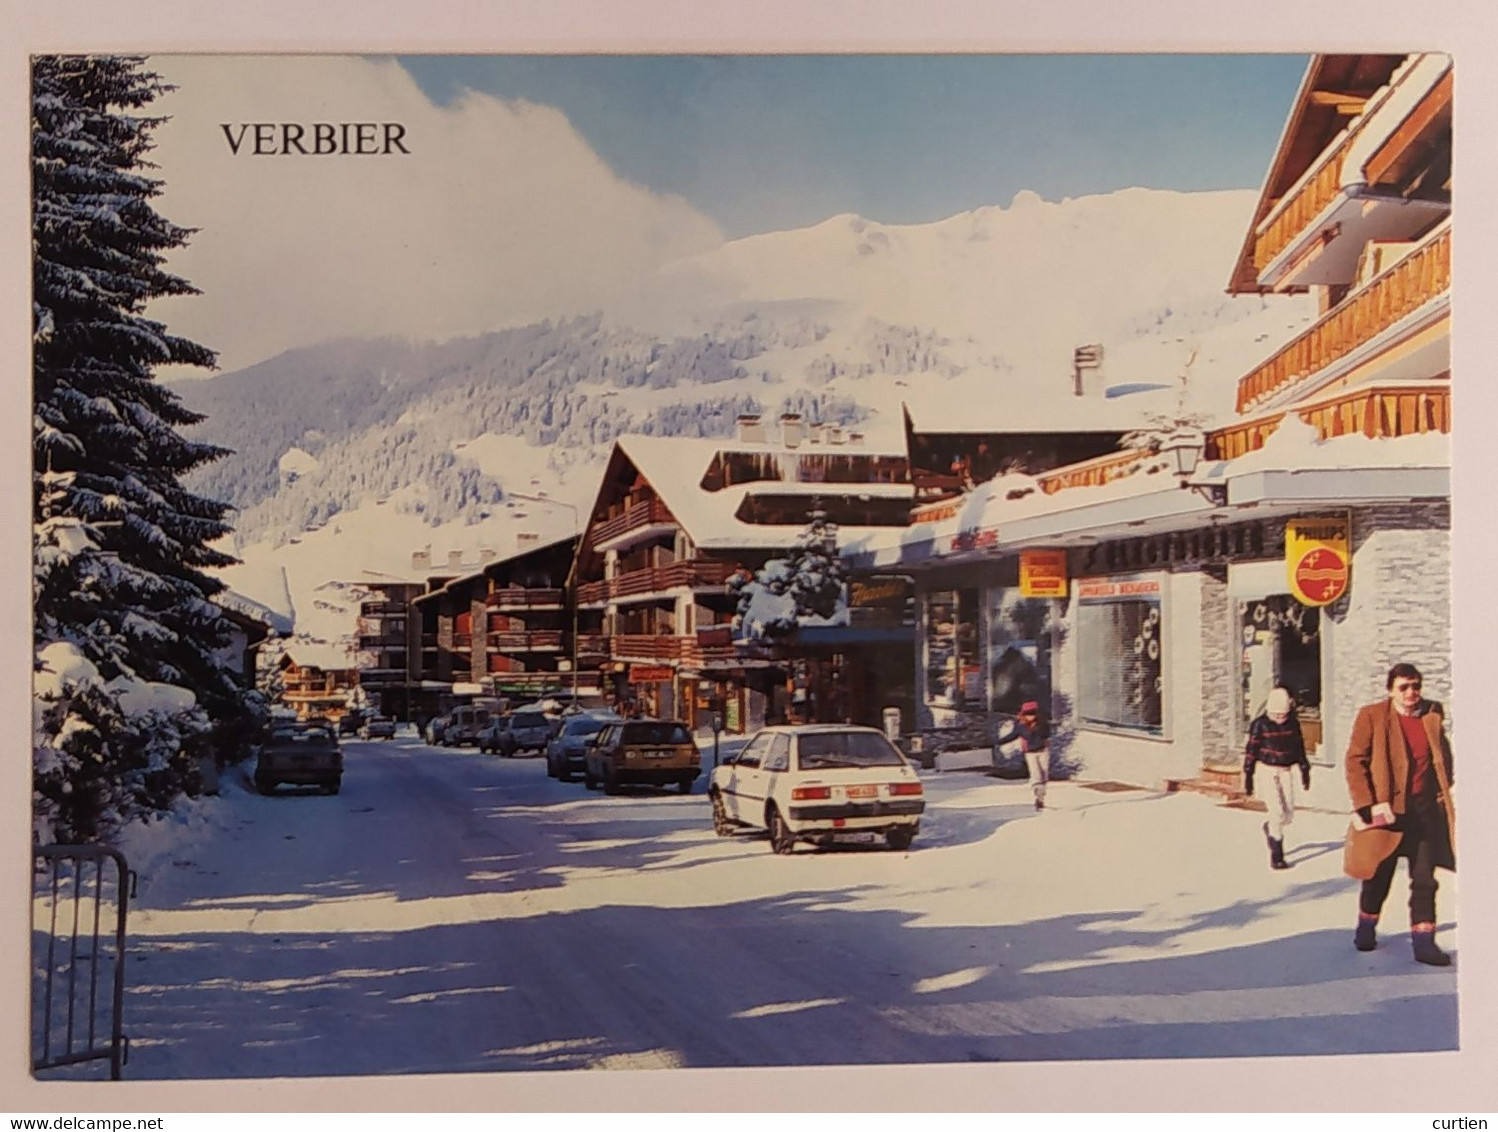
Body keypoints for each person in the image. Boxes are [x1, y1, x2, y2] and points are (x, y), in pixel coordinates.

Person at [1343, 663, 1456, 966]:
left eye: (1416, 686)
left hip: (1422, 814)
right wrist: (1367, 804)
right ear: (1390, 689)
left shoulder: (1432, 714)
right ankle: (1366, 926)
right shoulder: (1373, 716)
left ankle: (1424, 944)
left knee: (1425, 880)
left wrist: (1442, 790)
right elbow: (1355, 761)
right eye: (1404, 687)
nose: (1411, 693)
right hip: (1388, 816)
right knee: (1378, 877)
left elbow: (1441, 757)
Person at [1243, 685, 1310, 870]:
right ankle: (1277, 856)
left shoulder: (1293, 724)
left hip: (1286, 769)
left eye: (1284, 715)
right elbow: (1251, 751)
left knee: (1288, 815)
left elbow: (1299, 747)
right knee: (1277, 813)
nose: (1280, 719)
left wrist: (1305, 769)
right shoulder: (1260, 725)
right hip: (1267, 769)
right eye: (1276, 715)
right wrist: (1248, 774)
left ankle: (1270, 828)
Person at [997, 701, 1050, 810]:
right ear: (1023, 714)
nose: (1030, 716)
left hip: (1043, 750)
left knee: (1044, 773)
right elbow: (1013, 735)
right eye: (1028, 714)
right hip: (1030, 753)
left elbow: (1046, 734)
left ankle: (1041, 794)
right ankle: (1038, 795)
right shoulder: (1020, 725)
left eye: (1033, 713)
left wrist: (1037, 727)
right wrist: (1000, 741)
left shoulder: (1042, 723)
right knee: (1036, 775)